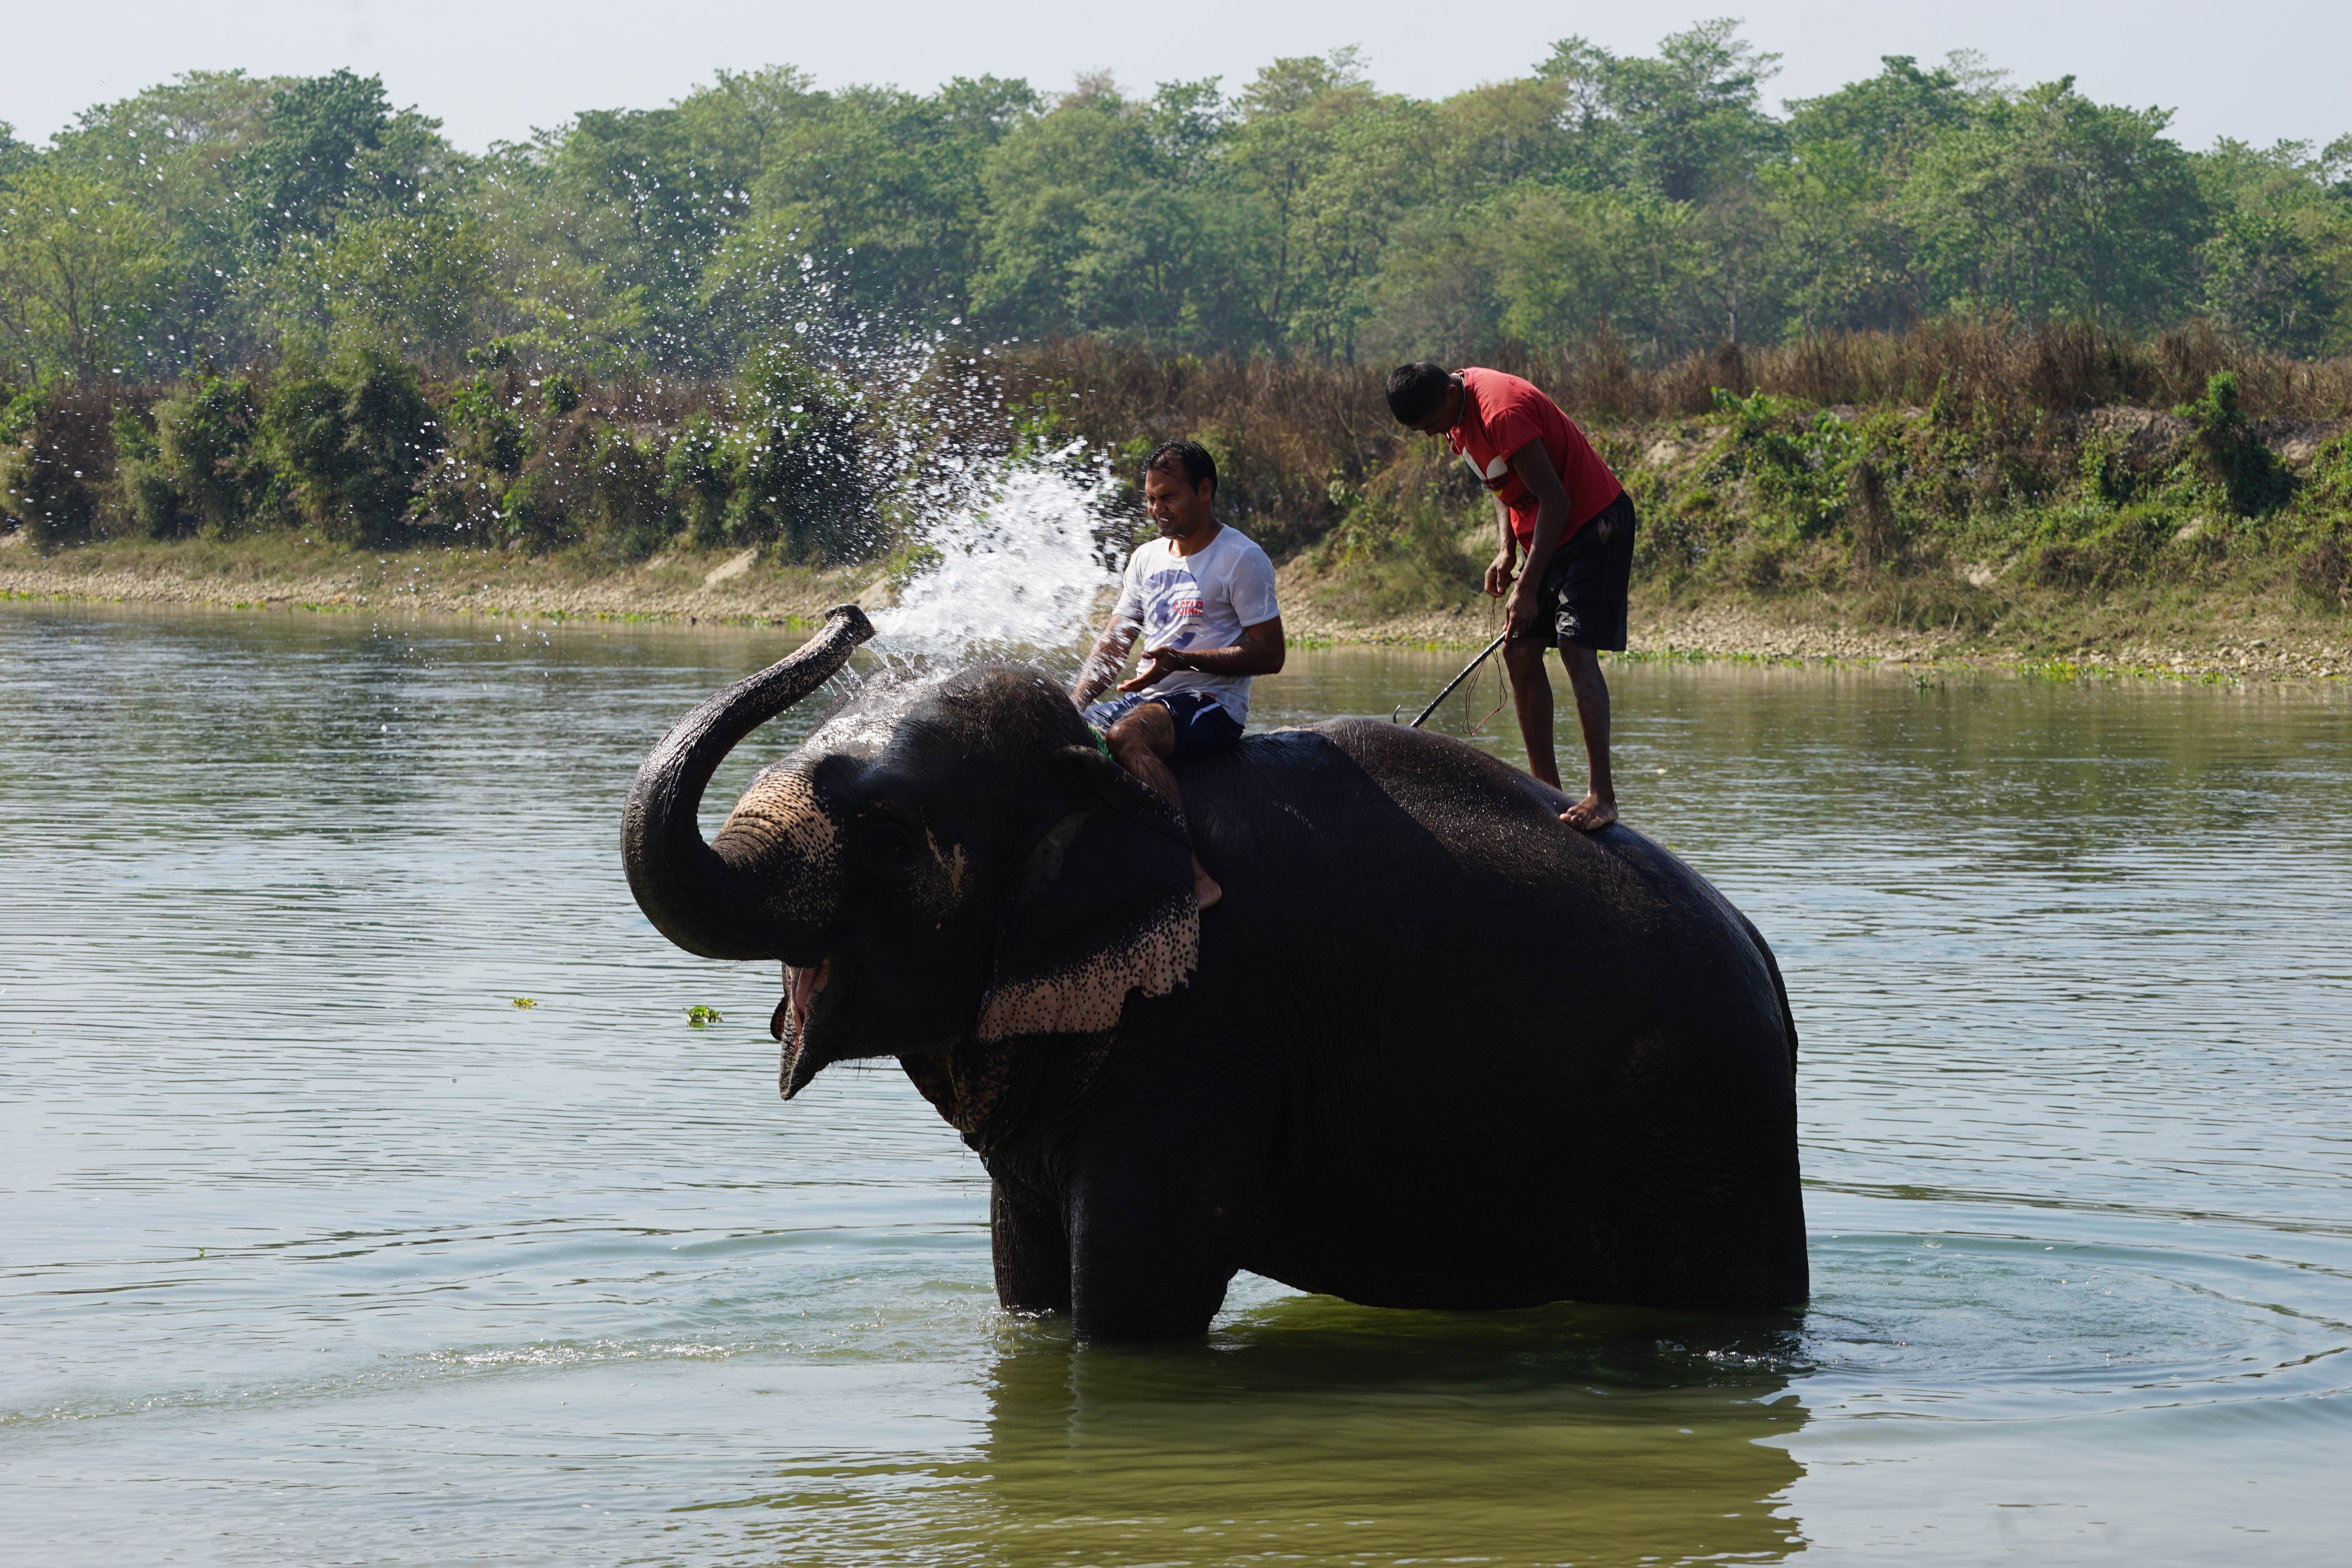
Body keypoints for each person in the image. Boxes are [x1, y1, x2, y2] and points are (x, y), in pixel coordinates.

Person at [1384, 361, 1635, 830]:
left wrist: (1527, 587)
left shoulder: (1501, 410)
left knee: (1577, 650)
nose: (1431, 436)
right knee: (1519, 650)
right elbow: (1499, 482)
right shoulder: (1454, 418)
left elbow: (1557, 501)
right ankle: (1548, 790)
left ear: (1447, 396)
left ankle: (1603, 795)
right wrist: (1505, 551)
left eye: (1431, 425)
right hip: (1545, 533)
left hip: (1592, 525)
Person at [1072, 440, 1284, 909]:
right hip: (1156, 697)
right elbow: (1115, 641)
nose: (1156, 509)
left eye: (1168, 497)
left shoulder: (1240, 557)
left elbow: (1271, 655)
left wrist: (1188, 661)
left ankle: (1192, 873)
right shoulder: (1146, 559)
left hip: (1212, 703)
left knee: (1128, 736)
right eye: (1150, 498)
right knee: (1065, 733)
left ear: (1204, 491)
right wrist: (1076, 703)